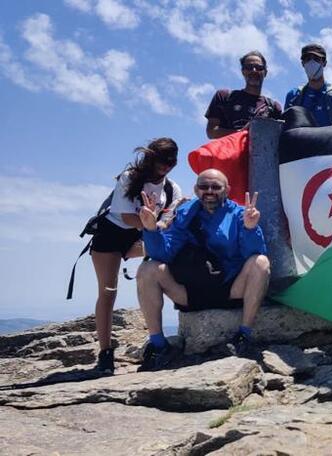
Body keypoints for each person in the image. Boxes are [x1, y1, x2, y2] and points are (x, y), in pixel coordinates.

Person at [135, 169, 270, 371]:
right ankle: (158, 346)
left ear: (227, 190)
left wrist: (251, 228)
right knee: (147, 268)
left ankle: (244, 336)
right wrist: (151, 229)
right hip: (190, 292)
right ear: (196, 189)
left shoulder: (240, 214)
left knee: (261, 262)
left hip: (230, 289)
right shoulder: (184, 214)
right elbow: (163, 254)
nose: (209, 191)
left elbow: (254, 252)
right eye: (204, 186)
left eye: (216, 187)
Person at [88, 138, 182, 375]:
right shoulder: (130, 177)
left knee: (170, 259)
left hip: (141, 235)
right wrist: (151, 221)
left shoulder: (172, 189)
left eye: (171, 161)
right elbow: (127, 217)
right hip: (111, 234)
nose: (166, 165)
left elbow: (168, 219)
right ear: (151, 158)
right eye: (162, 160)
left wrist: (158, 223)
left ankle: (158, 339)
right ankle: (105, 352)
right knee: (108, 292)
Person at [205, 51, 282, 139]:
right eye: (249, 67)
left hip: (259, 152)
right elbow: (211, 132)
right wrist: (243, 133)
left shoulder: (273, 107)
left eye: (259, 67)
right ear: (243, 71)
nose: (254, 71)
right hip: (228, 151)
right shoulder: (224, 97)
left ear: (265, 72)